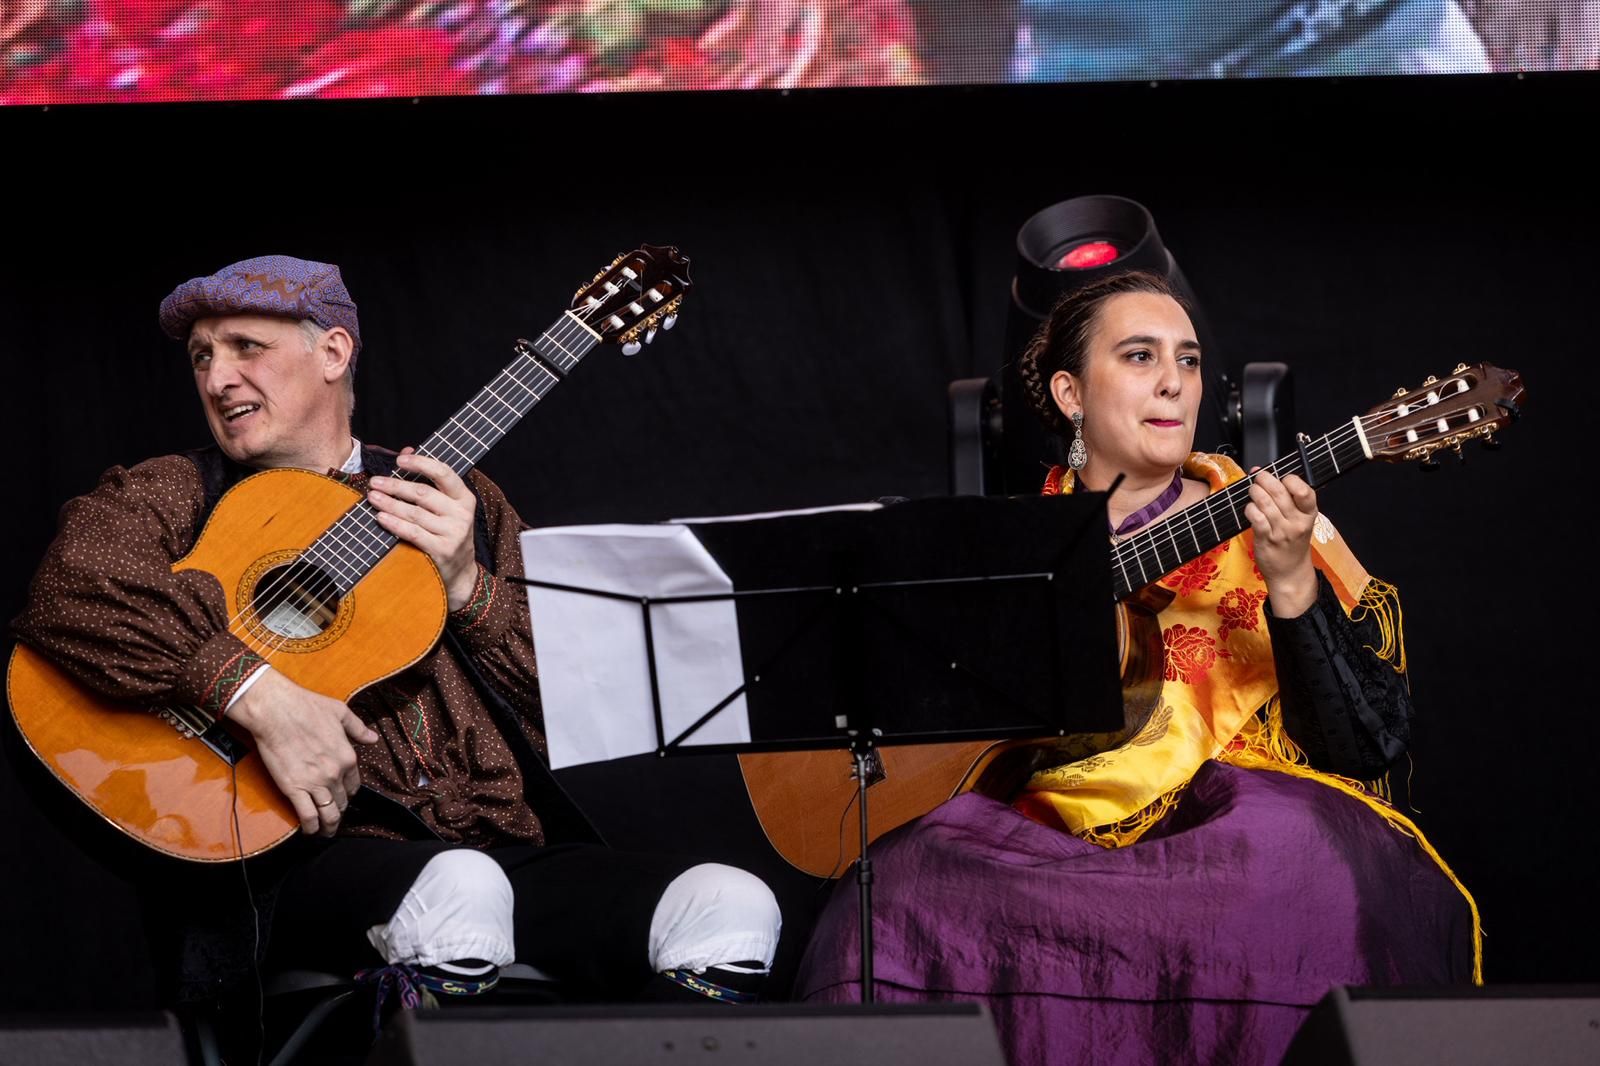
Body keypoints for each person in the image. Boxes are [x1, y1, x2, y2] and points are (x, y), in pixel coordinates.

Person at [11, 255, 781, 1039]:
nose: (217, 378)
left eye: (246, 347)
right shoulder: (178, 493)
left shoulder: (457, 501)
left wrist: (468, 587)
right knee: (460, 889)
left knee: (730, 905)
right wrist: (258, 696)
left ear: (334, 352)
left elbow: (577, 705)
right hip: (295, 861)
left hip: (493, 845)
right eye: (202, 356)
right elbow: (71, 589)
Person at [793, 270, 1478, 1065]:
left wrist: (1291, 581)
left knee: (1297, 850)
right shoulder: (999, 546)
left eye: (1188, 360)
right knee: (902, 881)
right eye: (1140, 356)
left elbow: (1365, 748)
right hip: (1038, 845)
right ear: (1070, 394)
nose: (1174, 383)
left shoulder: (1272, 518)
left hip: (1228, 835)